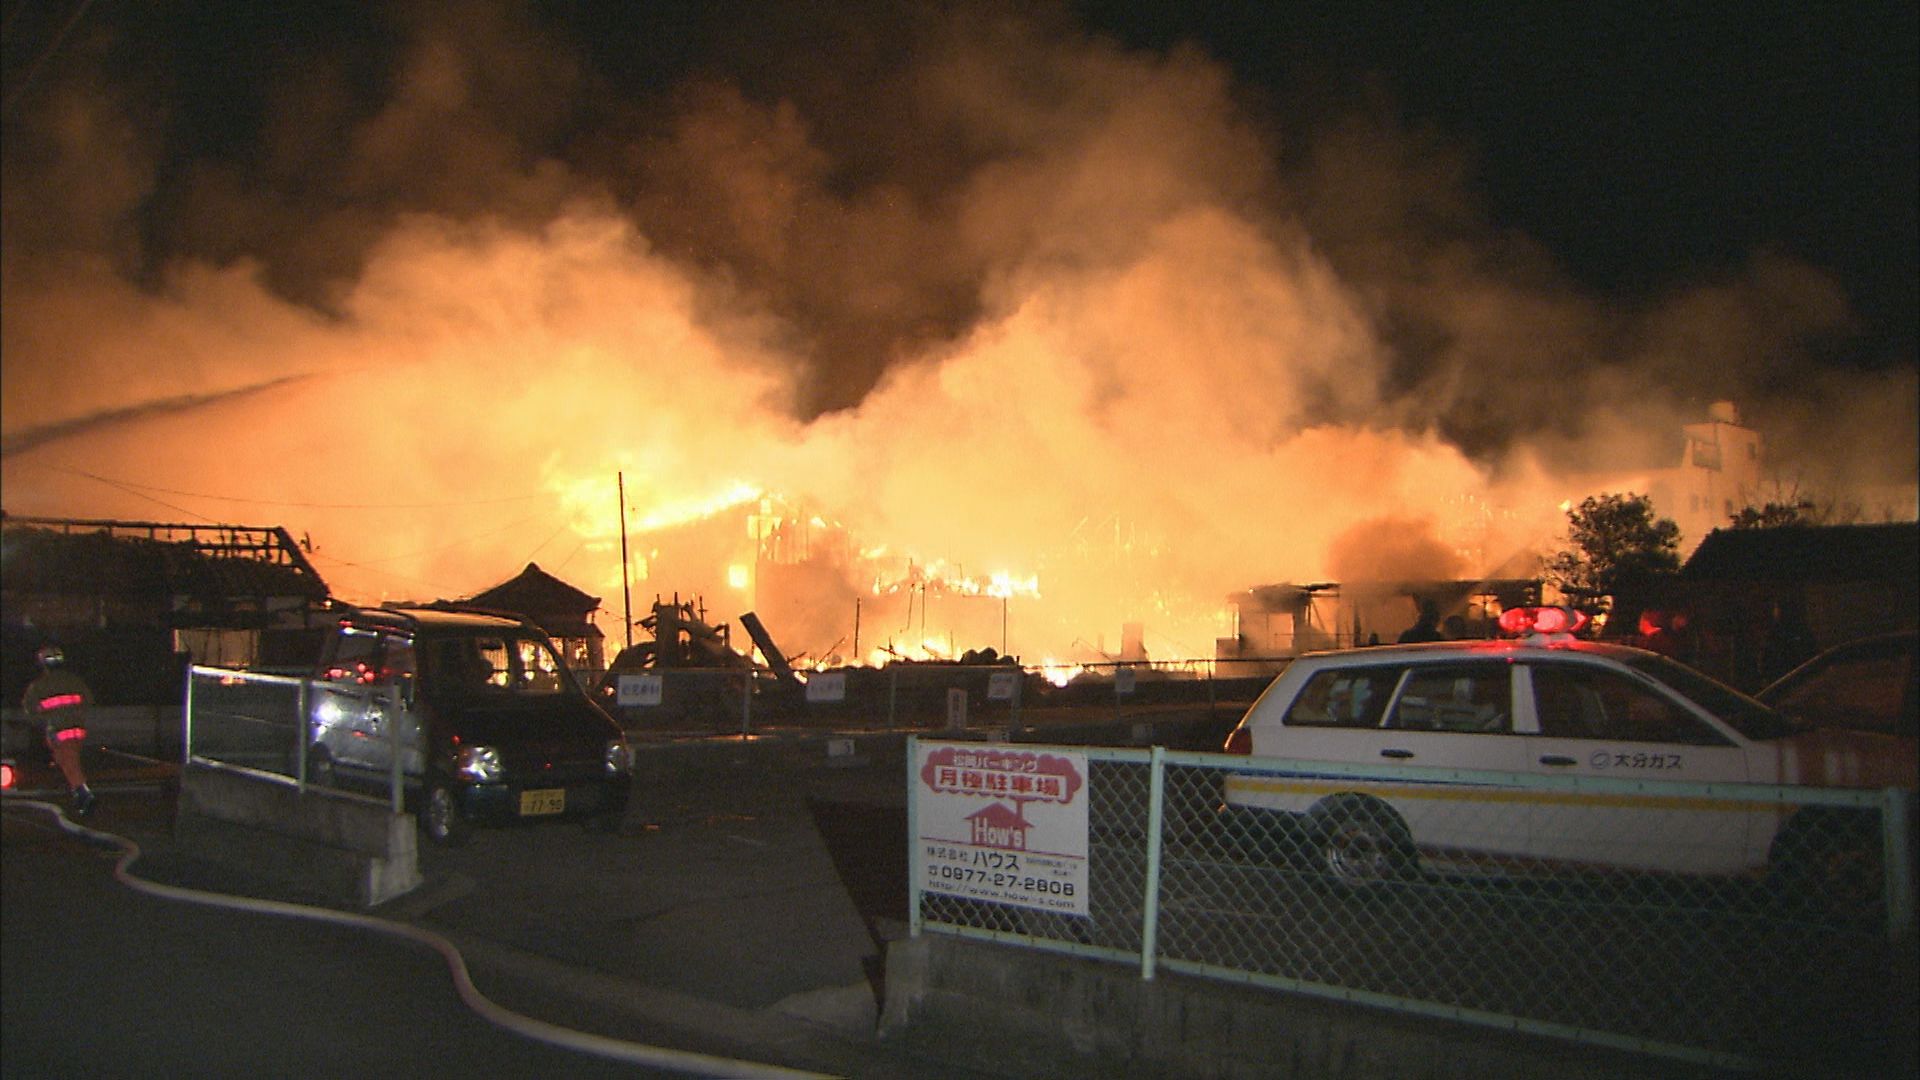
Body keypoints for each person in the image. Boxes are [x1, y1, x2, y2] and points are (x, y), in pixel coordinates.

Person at [22, 645, 95, 816]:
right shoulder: (75, 681)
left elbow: (30, 711)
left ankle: (83, 794)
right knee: (69, 762)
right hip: (77, 730)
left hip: (58, 731)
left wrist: (44, 719)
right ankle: (80, 795)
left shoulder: (39, 686)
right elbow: (88, 700)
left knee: (68, 763)